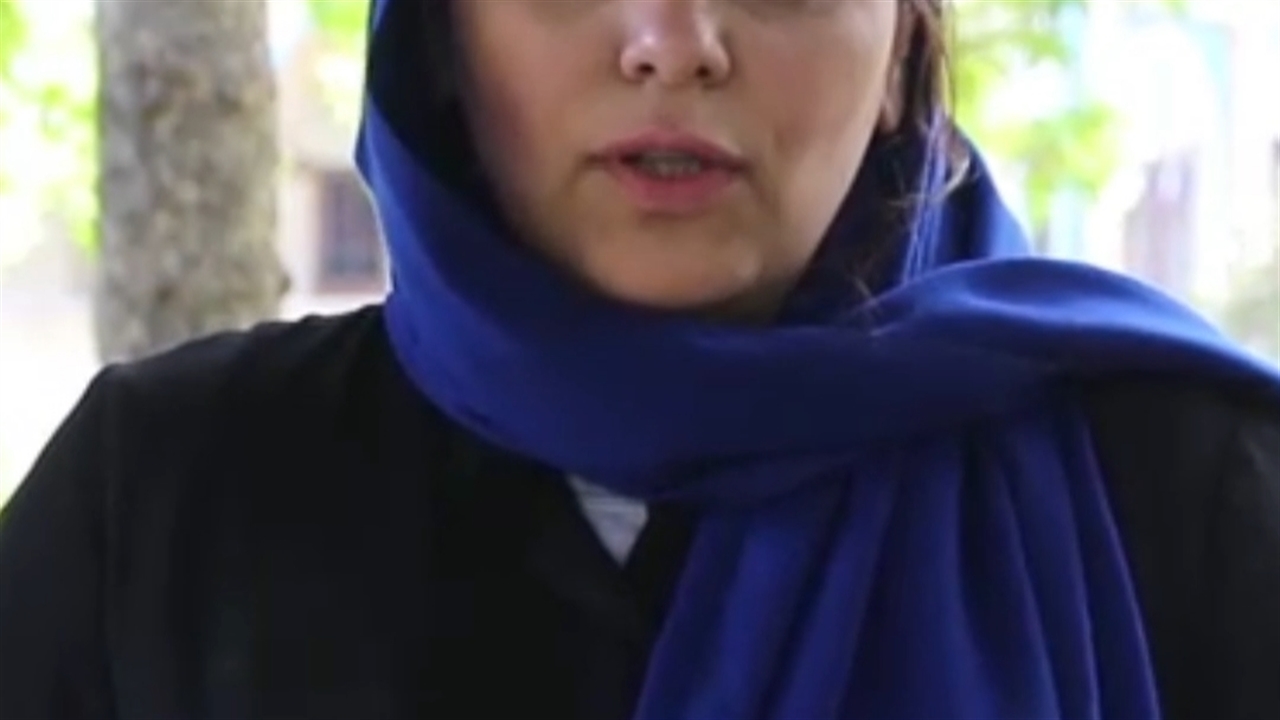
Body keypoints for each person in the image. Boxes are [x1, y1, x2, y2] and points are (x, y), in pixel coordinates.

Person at [1, 0, 1278, 717]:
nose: (672, 38)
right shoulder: (158, 505)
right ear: (441, 38)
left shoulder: (1187, 492)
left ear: (900, 48)